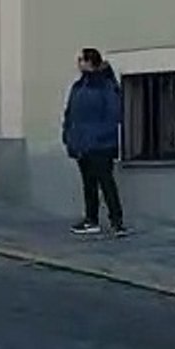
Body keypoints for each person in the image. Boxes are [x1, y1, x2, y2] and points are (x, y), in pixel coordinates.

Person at [62, 47, 127, 236]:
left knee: (106, 183)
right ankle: (91, 220)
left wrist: (99, 137)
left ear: (90, 62)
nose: (79, 63)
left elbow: (113, 115)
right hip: (81, 144)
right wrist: (68, 134)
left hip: (101, 144)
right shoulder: (78, 86)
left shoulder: (105, 86)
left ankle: (117, 222)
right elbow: (70, 113)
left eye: (82, 60)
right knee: (88, 183)